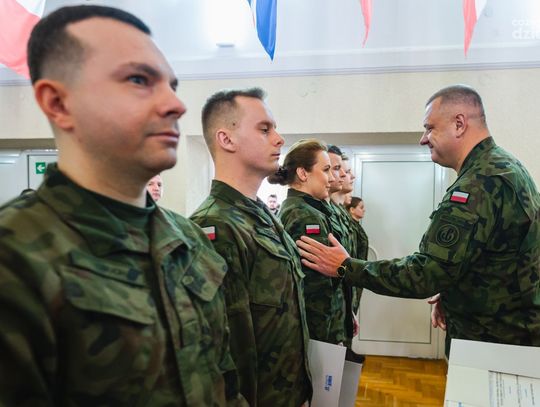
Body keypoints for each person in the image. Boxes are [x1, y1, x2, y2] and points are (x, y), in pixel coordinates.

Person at [0, 5, 244, 406]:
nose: (176, 105)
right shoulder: (14, 259)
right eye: (138, 79)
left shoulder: (189, 240)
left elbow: (224, 384)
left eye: (172, 85)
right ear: (58, 103)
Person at [296, 84, 540, 356]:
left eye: (430, 128)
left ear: (459, 124)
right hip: (507, 335)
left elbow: (425, 273)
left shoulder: (479, 183)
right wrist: (454, 290)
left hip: (496, 343)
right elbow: (493, 257)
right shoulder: (503, 166)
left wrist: (346, 267)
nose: (423, 139)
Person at [190, 88, 311, 406]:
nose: (279, 139)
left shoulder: (262, 215)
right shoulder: (215, 225)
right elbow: (224, 351)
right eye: (264, 129)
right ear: (226, 139)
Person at [268, 139, 345, 344]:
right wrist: (325, 339)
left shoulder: (300, 208)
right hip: (318, 331)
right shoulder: (305, 215)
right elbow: (317, 290)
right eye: (326, 170)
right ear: (303, 173)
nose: (331, 178)